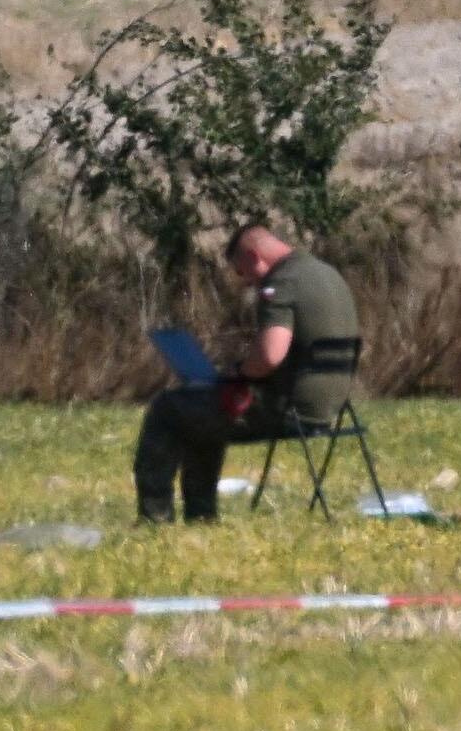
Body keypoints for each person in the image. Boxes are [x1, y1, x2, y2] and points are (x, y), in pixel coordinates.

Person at [134, 224, 361, 523]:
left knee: (168, 408)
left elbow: (270, 356)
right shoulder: (327, 274)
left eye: (243, 272)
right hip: (331, 406)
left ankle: (156, 517)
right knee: (202, 412)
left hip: (288, 409)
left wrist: (238, 371)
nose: (247, 282)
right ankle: (200, 516)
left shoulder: (282, 282)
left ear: (255, 257)